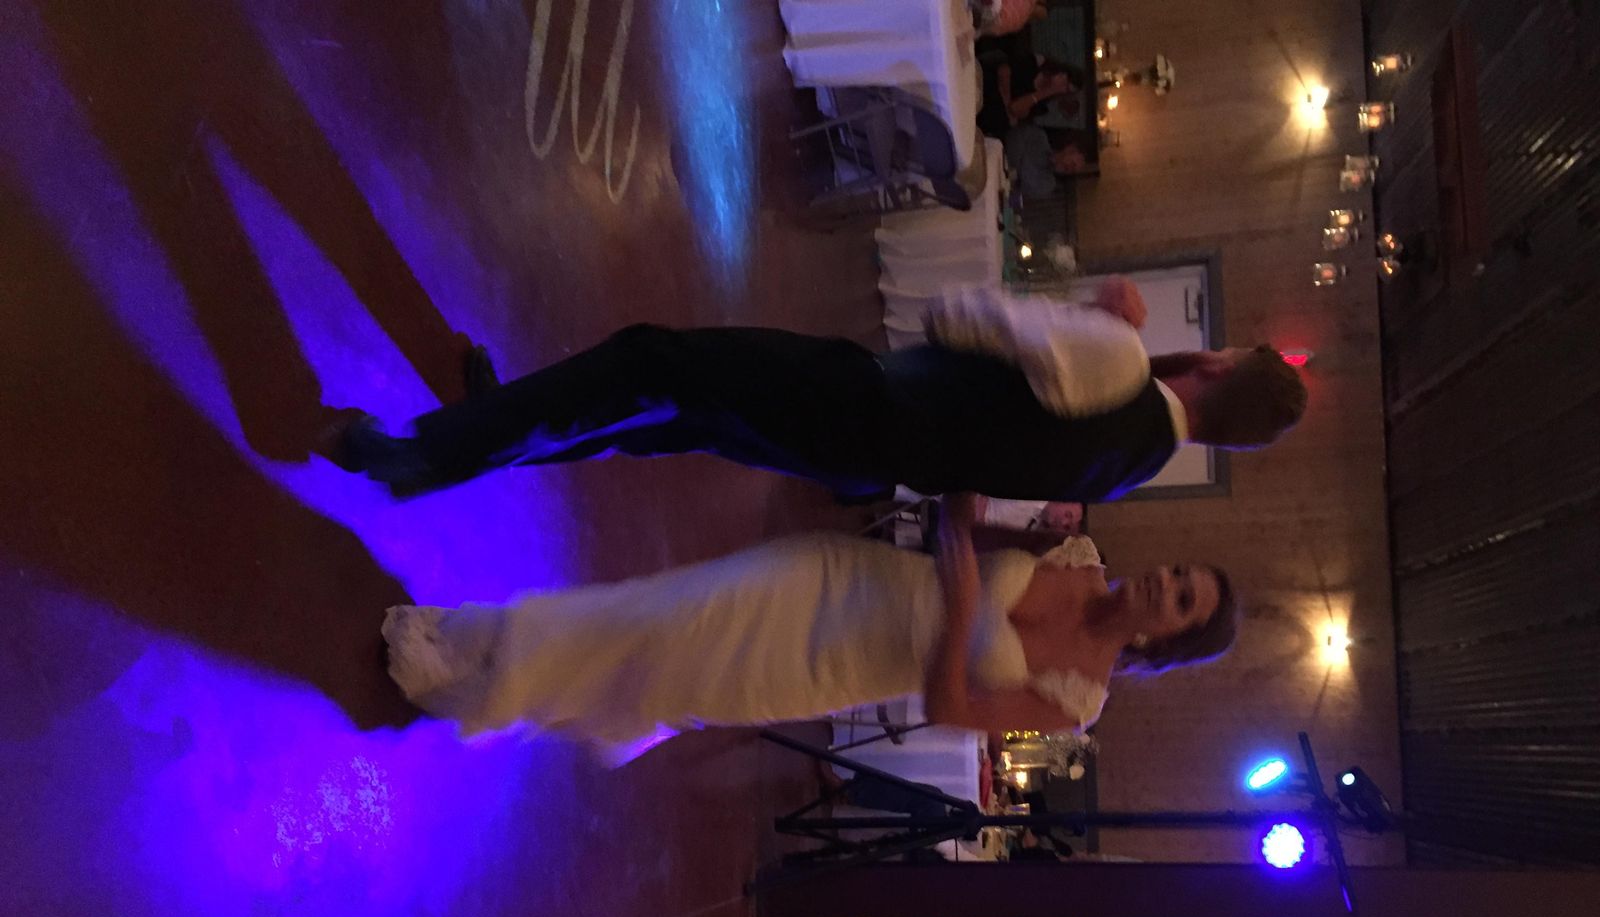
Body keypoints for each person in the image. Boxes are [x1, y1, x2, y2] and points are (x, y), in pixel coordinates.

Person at [379, 498, 1237, 765]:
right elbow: (961, 532)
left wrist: (963, 599)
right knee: (659, 610)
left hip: (837, 663)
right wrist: (964, 519)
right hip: (841, 578)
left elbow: (950, 706)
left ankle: (500, 679)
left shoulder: (1078, 701)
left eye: (1180, 600)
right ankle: (486, 649)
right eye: (1179, 572)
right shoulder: (1078, 557)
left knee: (670, 676)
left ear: (1166, 641)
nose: (1163, 582)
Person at [331, 276, 1307, 505]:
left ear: (1217, 367)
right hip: (866, 460)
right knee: (661, 418)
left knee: (649, 364)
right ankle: (486, 429)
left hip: (865, 399)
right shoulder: (1132, 470)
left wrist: (1086, 312)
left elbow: (954, 315)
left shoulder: (1122, 364)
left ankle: (430, 454)